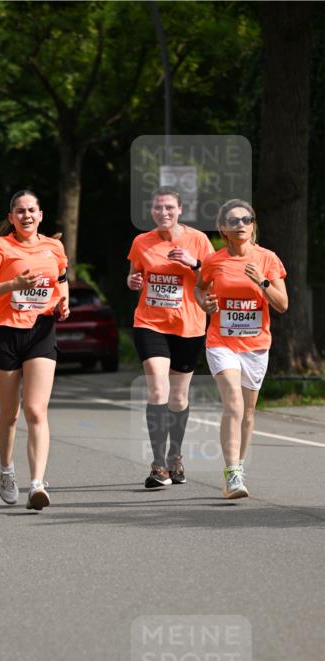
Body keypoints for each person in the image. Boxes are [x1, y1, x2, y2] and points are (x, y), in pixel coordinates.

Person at [0, 190, 69, 510]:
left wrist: (63, 301)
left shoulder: (54, 247)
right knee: (10, 412)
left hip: (41, 331)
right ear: (11, 217)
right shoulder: (1, 247)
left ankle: (37, 484)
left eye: (32, 210)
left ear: (41, 215)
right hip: (5, 333)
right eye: (20, 211)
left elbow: (62, 278)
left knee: (36, 410)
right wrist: (12, 286)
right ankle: (6, 470)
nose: (26, 215)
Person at [196, 199, 288, 499]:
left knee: (248, 412)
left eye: (245, 219)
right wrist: (204, 303)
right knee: (233, 403)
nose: (240, 225)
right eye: (233, 220)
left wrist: (261, 282)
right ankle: (232, 473)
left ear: (253, 224)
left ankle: (239, 467)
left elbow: (282, 304)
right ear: (222, 227)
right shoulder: (214, 260)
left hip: (256, 345)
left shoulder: (267, 259)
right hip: (221, 342)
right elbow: (199, 287)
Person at [127, 186, 215, 488]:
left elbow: (216, 277)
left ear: (180, 209)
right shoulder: (142, 241)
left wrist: (194, 263)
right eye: (157, 208)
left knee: (178, 397)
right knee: (157, 390)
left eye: (169, 208)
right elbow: (133, 276)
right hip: (150, 323)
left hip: (189, 326)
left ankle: (175, 456)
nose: (163, 213)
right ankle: (158, 464)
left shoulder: (198, 240)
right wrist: (133, 280)